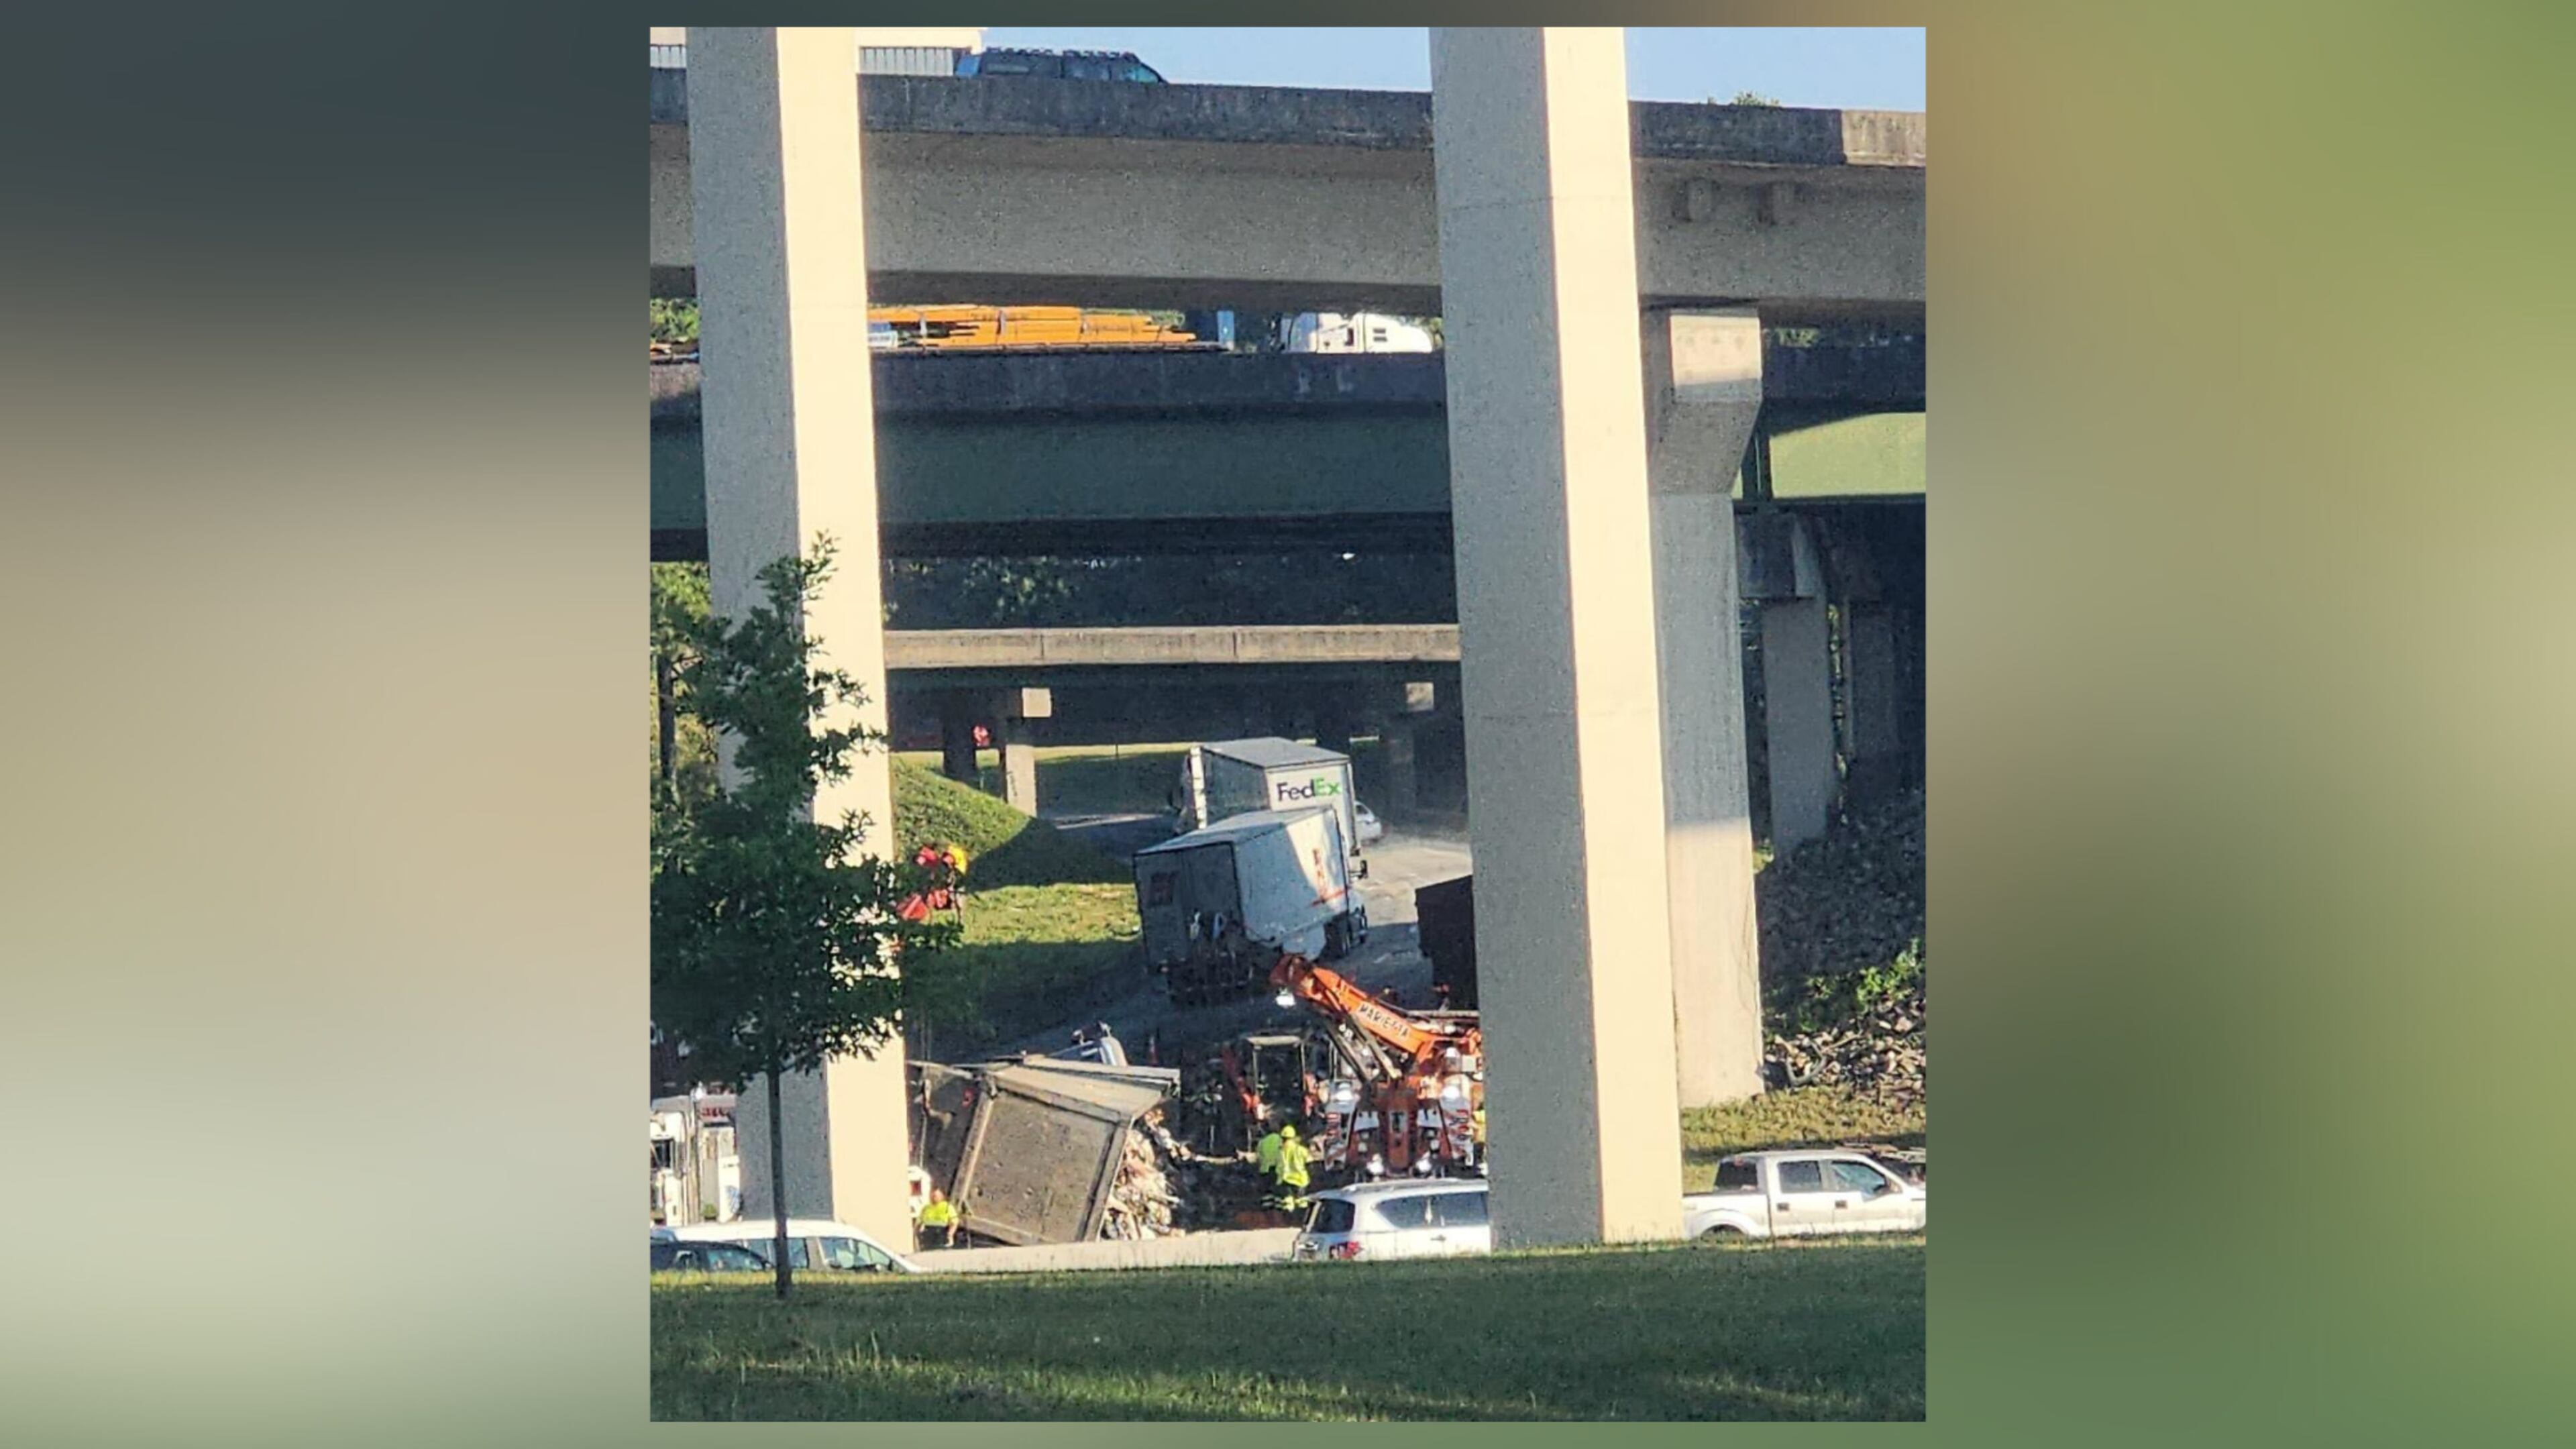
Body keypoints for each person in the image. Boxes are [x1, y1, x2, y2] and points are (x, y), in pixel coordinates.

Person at [1274, 1124, 1311, 1212]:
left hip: (1286, 1179)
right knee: (1302, 1202)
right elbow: (1310, 1163)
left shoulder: (1280, 1151)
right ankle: (1300, 1218)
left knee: (1288, 1202)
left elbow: (1278, 1165)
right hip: (1301, 1180)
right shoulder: (1301, 1150)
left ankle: (1288, 1219)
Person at [916, 1187, 959, 1251]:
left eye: (935, 1196)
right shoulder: (926, 1208)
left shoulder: (947, 1207)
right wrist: (919, 1236)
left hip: (941, 1234)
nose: (933, 1198)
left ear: (942, 1196)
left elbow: (954, 1222)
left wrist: (950, 1235)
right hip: (928, 1235)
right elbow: (918, 1223)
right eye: (932, 1196)